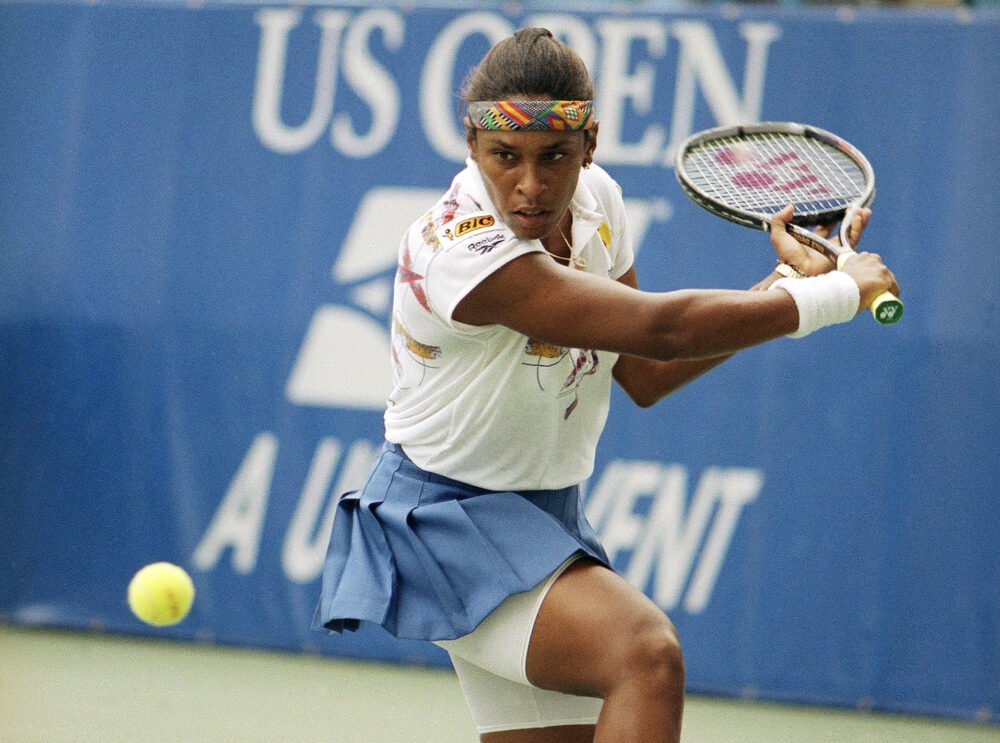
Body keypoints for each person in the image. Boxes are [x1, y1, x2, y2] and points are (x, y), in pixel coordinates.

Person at [314, 28, 898, 743]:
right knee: (644, 655)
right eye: (505, 156)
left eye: (555, 156)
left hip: (543, 520)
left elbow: (646, 373)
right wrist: (834, 295)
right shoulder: (459, 252)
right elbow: (663, 329)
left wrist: (785, 280)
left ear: (589, 145)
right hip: (445, 523)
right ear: (472, 146)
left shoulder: (600, 204)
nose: (530, 184)